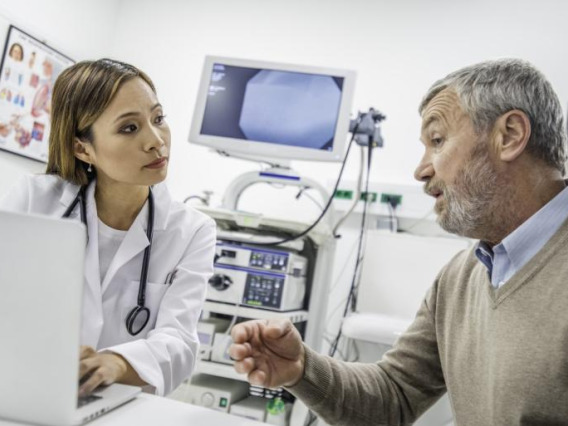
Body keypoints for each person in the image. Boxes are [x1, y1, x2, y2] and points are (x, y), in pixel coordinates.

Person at [229, 58, 568, 425]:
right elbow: (394, 394)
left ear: (510, 135)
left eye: (437, 141)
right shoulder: (460, 277)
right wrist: (301, 369)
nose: (421, 170)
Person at [0, 58, 216, 397]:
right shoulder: (33, 201)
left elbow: (179, 342)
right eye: (129, 128)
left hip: (122, 402)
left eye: (158, 118)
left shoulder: (192, 230)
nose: (156, 140)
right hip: (28, 389)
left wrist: (115, 363)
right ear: (82, 148)